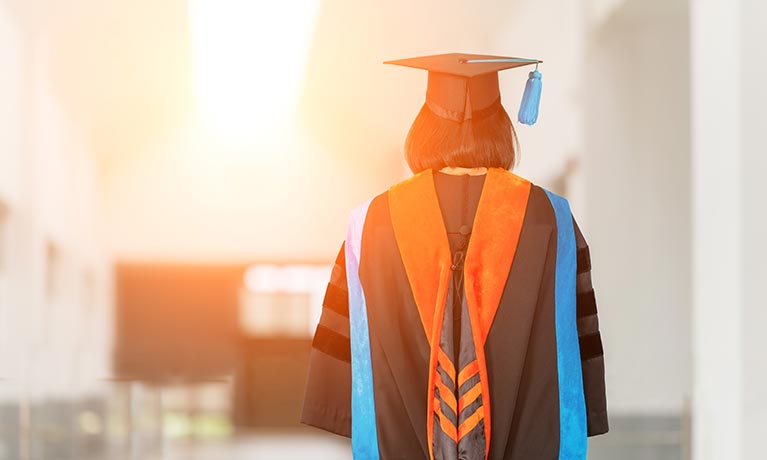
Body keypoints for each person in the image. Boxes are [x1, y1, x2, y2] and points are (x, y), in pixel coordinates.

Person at [301, 53, 608, 460]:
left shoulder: (371, 223)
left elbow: (345, 358)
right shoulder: (551, 219)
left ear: (424, 128)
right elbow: (574, 339)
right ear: (501, 126)